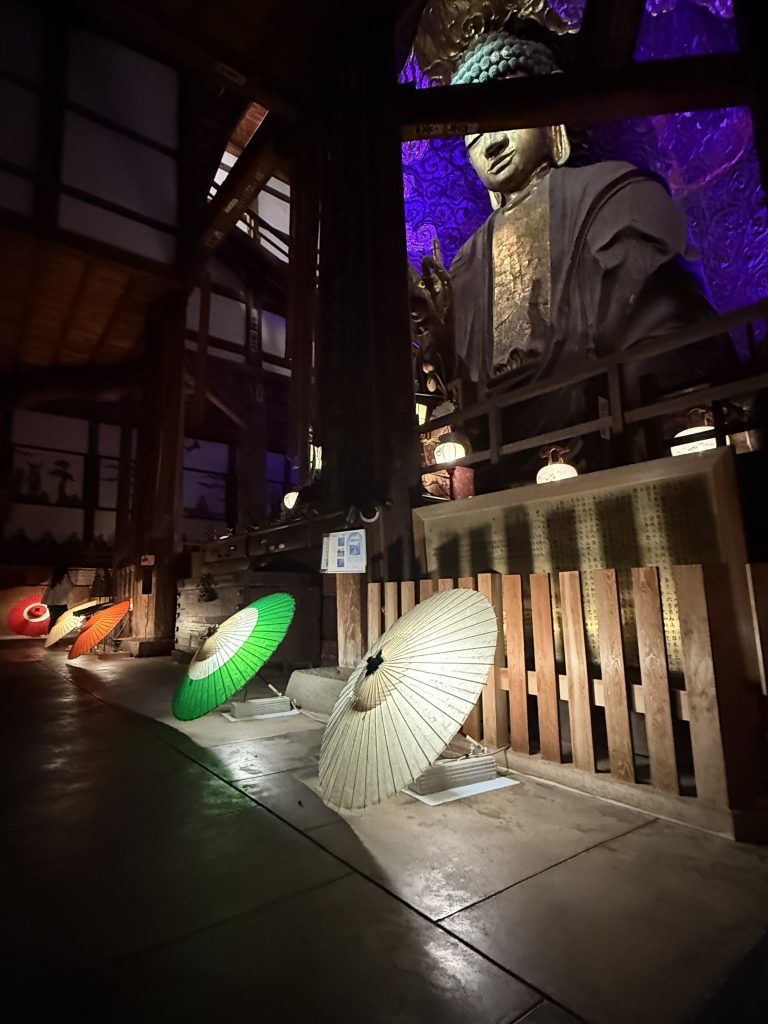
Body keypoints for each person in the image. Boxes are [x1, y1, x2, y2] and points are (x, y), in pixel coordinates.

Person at [413, 29, 740, 472]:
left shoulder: (614, 194)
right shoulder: (467, 262)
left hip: (607, 437)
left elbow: (662, 319)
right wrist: (436, 342)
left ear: (552, 111)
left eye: (507, 111)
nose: (492, 143)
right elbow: (460, 383)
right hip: (504, 456)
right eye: (473, 134)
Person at [43, 564, 74, 629]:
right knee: (61, 620)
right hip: (60, 603)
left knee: (53, 620)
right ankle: (57, 634)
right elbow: (69, 587)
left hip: (51, 603)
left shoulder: (53, 577)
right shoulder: (64, 577)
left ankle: (51, 633)